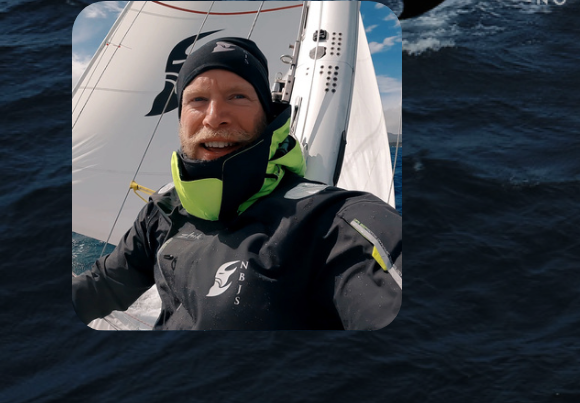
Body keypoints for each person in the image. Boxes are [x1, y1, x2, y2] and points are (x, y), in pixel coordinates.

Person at [72, 36, 402, 329]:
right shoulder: (162, 211)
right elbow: (104, 286)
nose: (214, 117)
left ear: (268, 115)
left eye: (238, 96)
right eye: (197, 100)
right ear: (180, 117)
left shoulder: (332, 222)